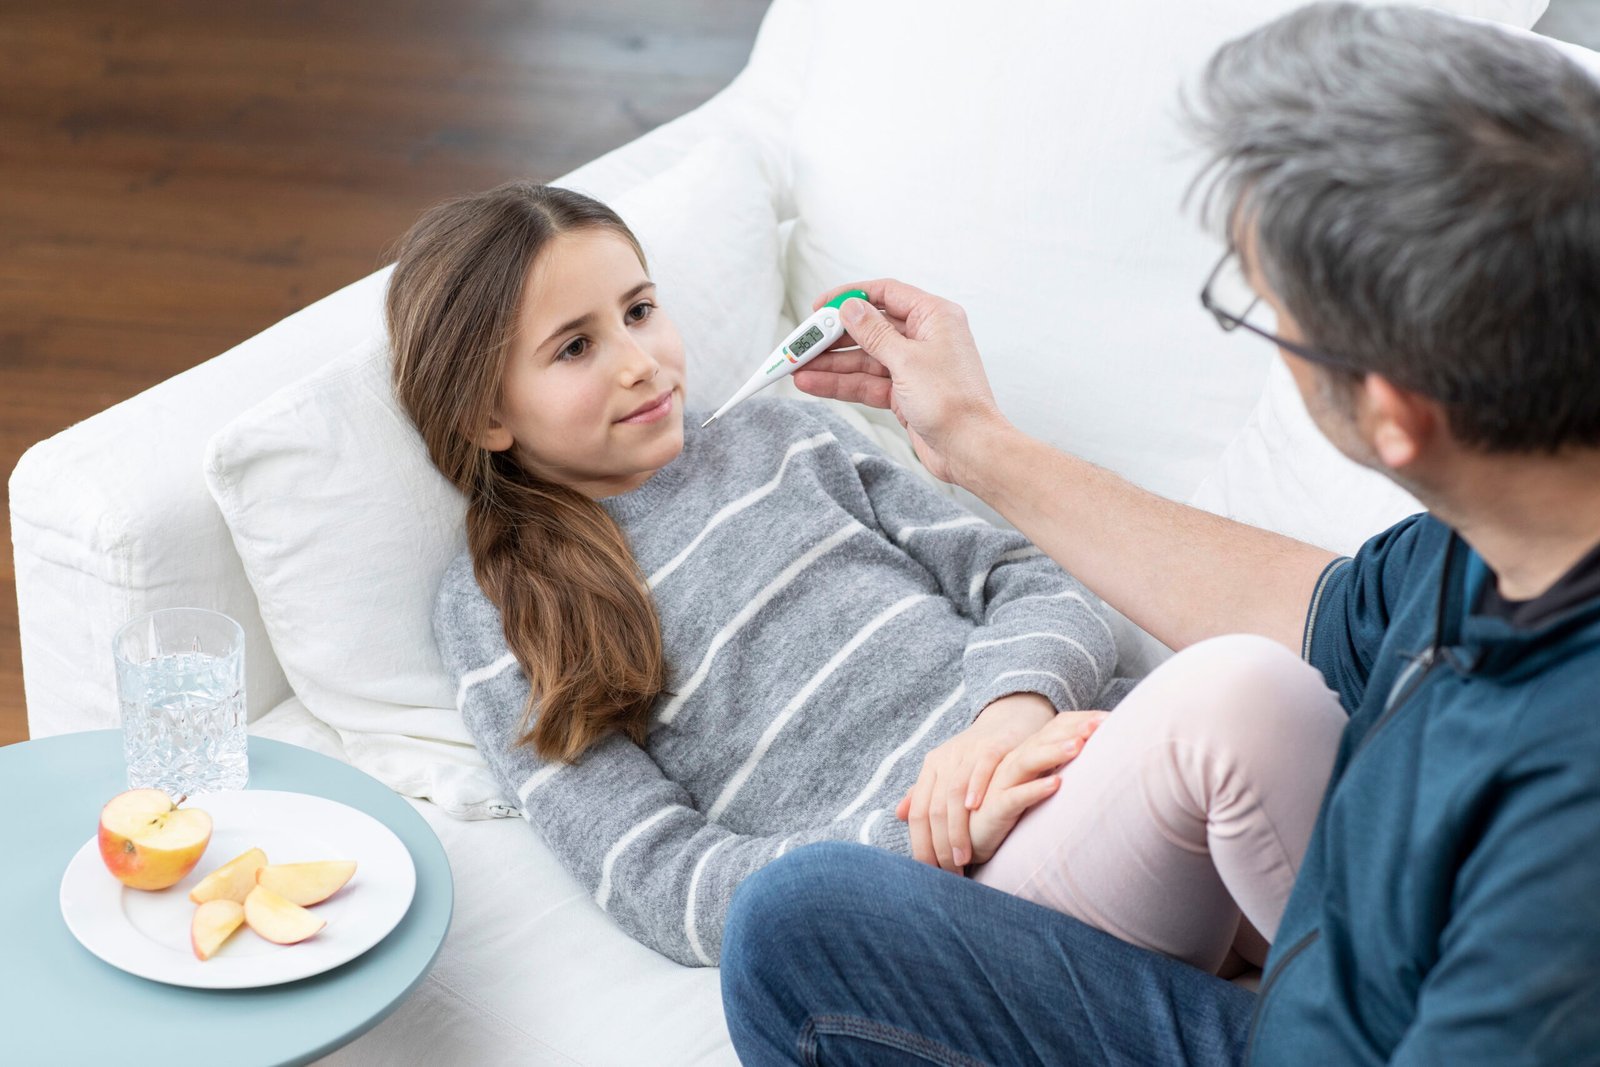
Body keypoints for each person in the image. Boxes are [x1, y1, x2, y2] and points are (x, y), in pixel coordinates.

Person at [720, 3, 1600, 1064]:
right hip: (1338, 973)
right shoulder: (1505, 536)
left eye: (1265, 315)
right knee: (806, 915)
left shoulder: (1560, 841)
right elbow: (1318, 608)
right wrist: (975, 443)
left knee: (791, 939)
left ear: (1395, 415)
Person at [385, 178, 1347, 973]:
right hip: (969, 887)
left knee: (1304, 710)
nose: (641, 363)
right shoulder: (496, 609)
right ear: (484, 415)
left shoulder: (782, 431)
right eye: (575, 346)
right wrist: (935, 827)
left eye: (640, 310)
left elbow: (1031, 581)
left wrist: (1007, 717)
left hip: (1086, 750)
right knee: (1244, 691)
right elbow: (661, 879)